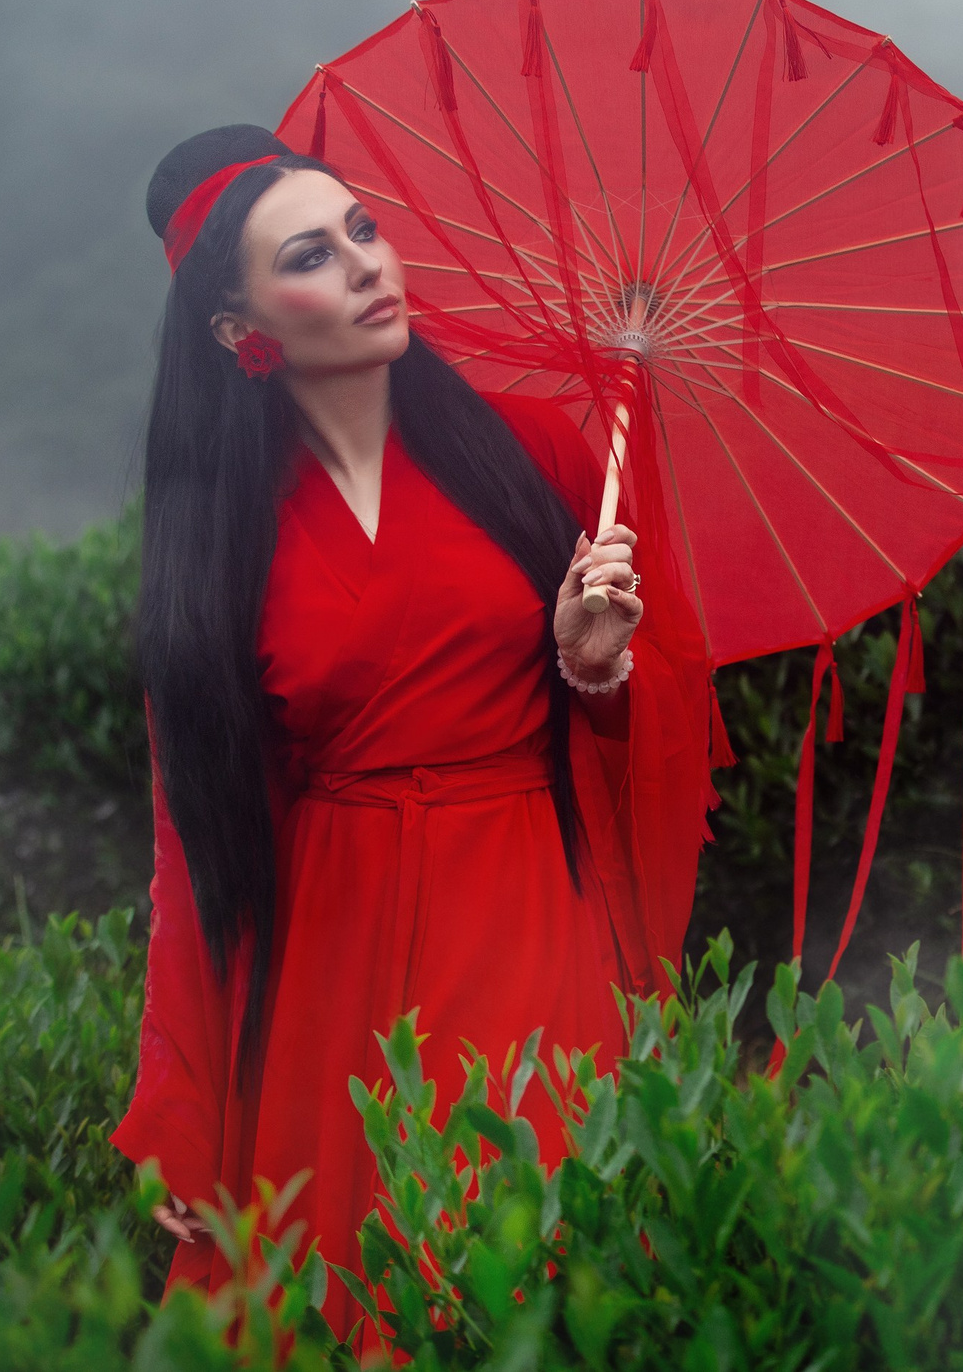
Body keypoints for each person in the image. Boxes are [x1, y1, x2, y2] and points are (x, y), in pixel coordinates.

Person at [109, 125, 717, 1344]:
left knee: (528, 1261)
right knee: (333, 1289)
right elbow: (201, 842)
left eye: (366, 229)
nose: (367, 265)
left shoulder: (539, 451)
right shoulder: (224, 543)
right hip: (330, 948)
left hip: (526, 903)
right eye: (313, 254)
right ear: (241, 331)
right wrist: (182, 1105)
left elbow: (655, 739)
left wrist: (596, 672)